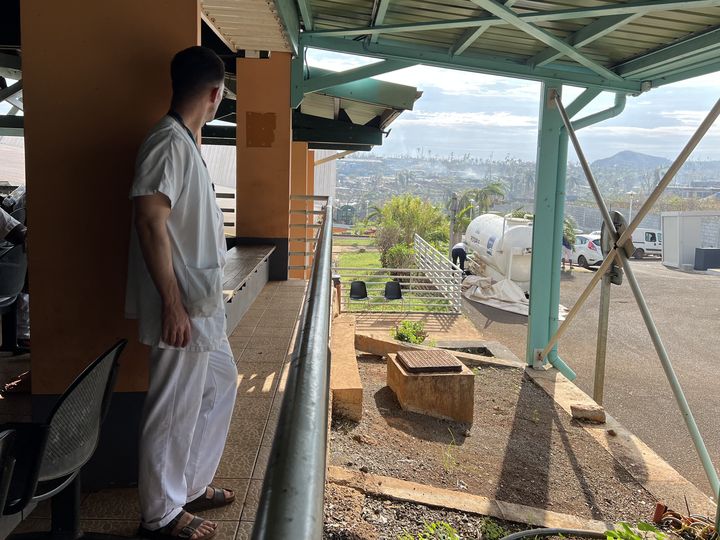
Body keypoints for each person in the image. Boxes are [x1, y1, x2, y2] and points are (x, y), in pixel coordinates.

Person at [125, 46, 237, 540]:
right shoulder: (167, 142)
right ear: (215, 94)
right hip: (181, 305)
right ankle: (161, 515)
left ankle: (190, 484)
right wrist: (172, 304)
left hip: (201, 302)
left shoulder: (187, 141)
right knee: (173, 406)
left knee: (220, 382)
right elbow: (150, 223)